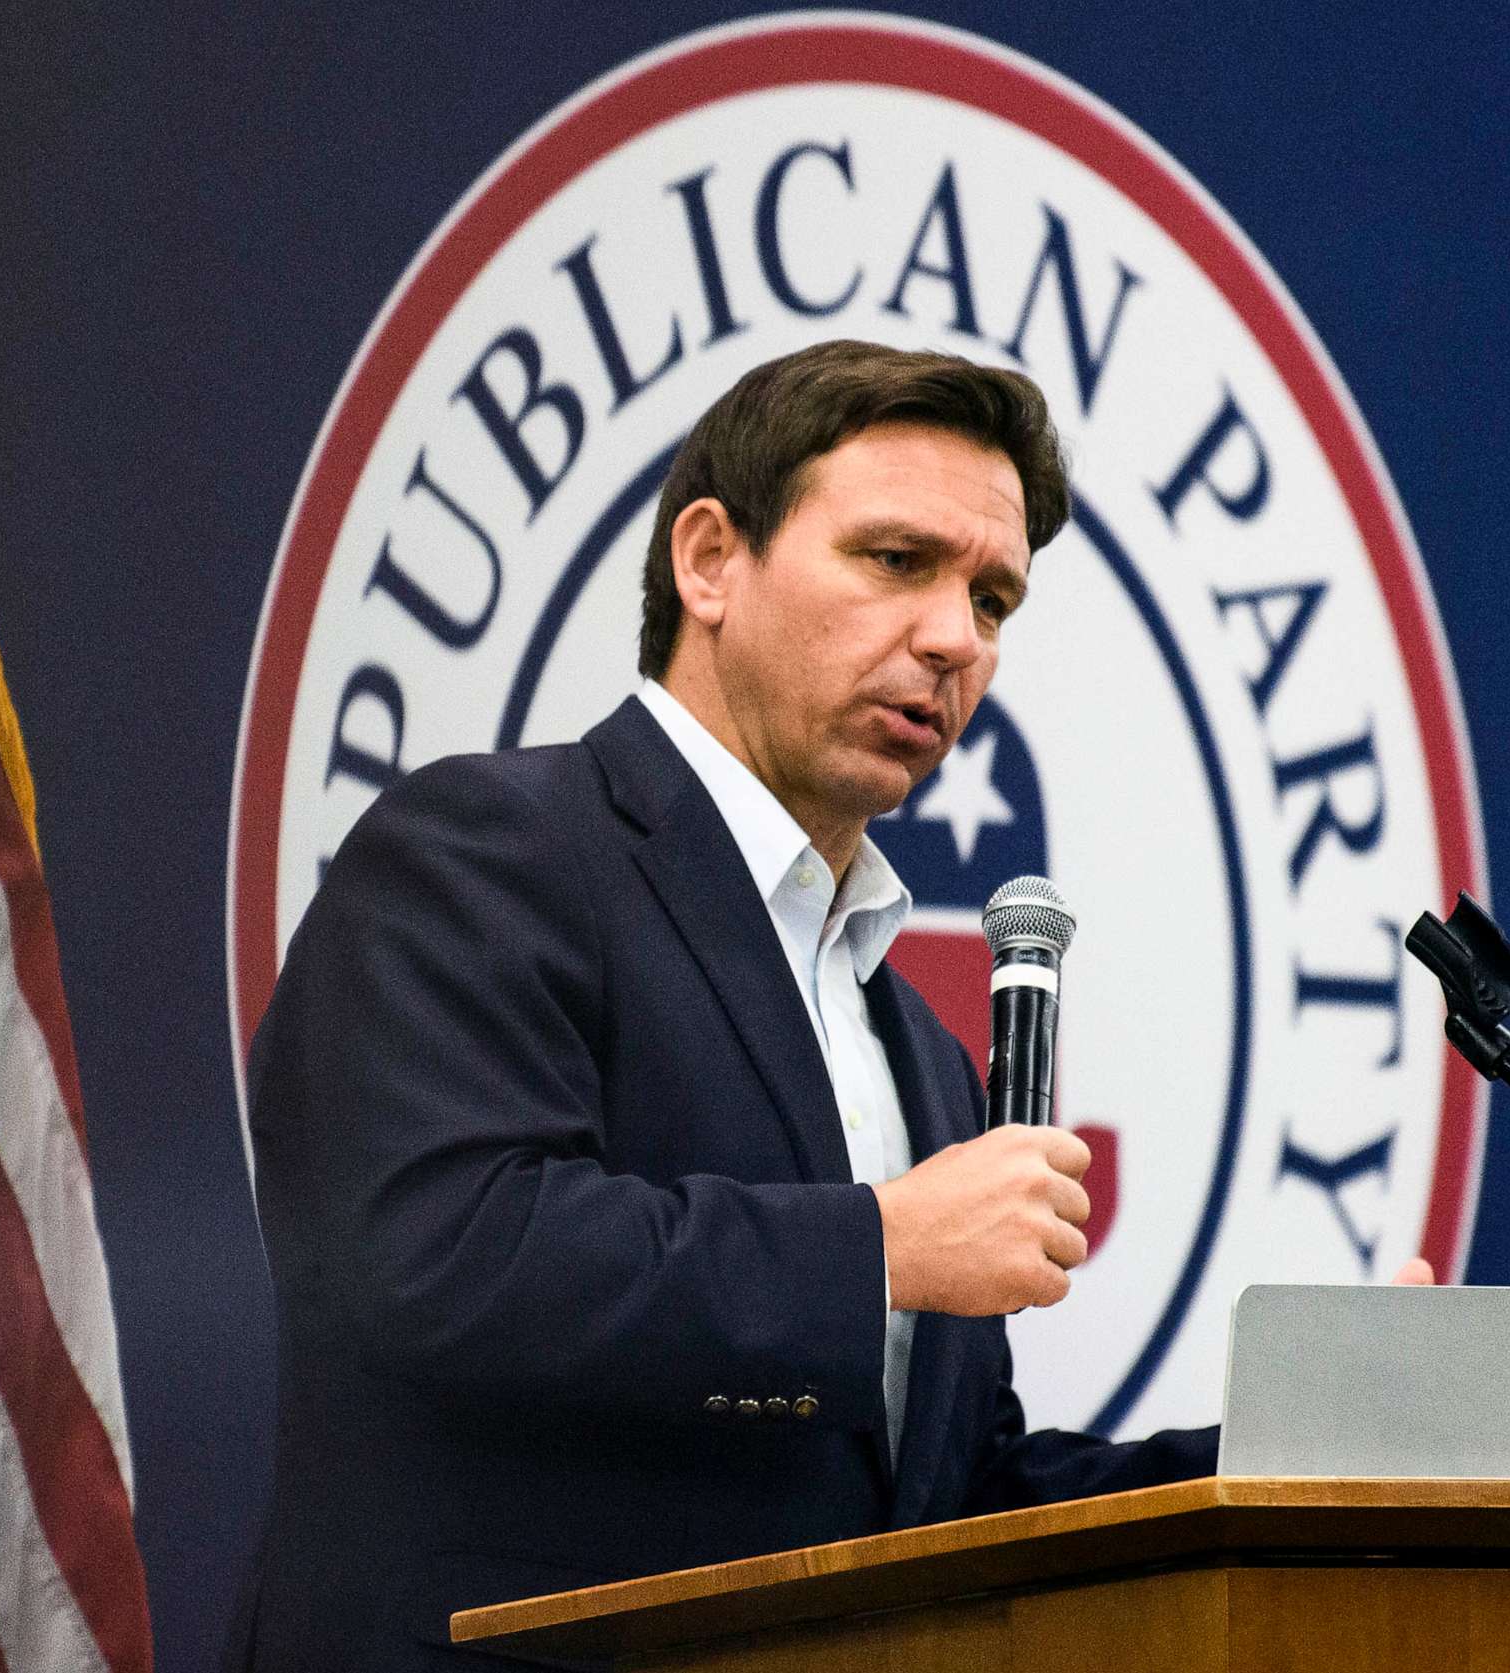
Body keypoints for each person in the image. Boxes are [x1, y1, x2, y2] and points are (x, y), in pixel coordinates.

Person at [242, 341, 1366, 1672]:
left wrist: (1305, 1455)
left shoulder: (925, 1057)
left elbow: (948, 1504)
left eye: (994, 597)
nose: (957, 637)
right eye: (898, 560)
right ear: (708, 559)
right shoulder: (486, 850)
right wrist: (879, 1246)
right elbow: (434, 1262)